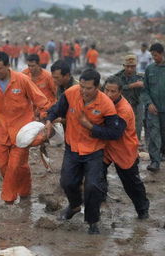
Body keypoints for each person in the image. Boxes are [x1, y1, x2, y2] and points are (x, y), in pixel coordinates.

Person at [44, 69, 122, 234]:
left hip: (94, 151)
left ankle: (93, 222)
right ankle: (74, 206)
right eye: (82, 86)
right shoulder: (71, 93)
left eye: (88, 88)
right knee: (67, 182)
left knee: (92, 186)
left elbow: (114, 133)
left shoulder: (106, 104)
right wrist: (49, 120)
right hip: (72, 147)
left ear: (97, 87)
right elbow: (57, 109)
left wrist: (90, 126)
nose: (84, 91)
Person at [0, 51, 50, 204]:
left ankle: (8, 199)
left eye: (0, 68)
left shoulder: (22, 80)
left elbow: (40, 100)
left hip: (22, 133)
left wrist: (46, 119)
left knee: (14, 166)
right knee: (3, 165)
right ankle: (25, 190)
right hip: (1, 132)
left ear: (8, 66)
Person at [103, 76, 149, 219]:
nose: (109, 94)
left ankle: (143, 210)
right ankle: (100, 202)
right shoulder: (102, 101)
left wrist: (90, 127)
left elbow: (115, 133)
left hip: (124, 150)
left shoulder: (124, 109)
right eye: (107, 90)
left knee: (132, 184)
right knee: (96, 175)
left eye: (113, 91)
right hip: (106, 148)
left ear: (120, 92)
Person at [142, 43, 165, 172]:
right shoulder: (149, 69)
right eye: (152, 55)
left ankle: (162, 155)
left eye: (155, 55)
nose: (154, 58)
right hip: (153, 110)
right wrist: (149, 103)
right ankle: (155, 162)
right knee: (154, 135)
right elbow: (144, 90)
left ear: (162, 53)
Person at [114, 55, 144, 141]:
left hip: (136, 106)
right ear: (124, 65)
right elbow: (112, 88)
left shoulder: (141, 77)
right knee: (120, 129)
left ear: (136, 66)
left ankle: (135, 149)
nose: (130, 69)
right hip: (120, 107)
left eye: (132, 66)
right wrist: (132, 86)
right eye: (128, 66)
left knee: (137, 128)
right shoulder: (117, 77)